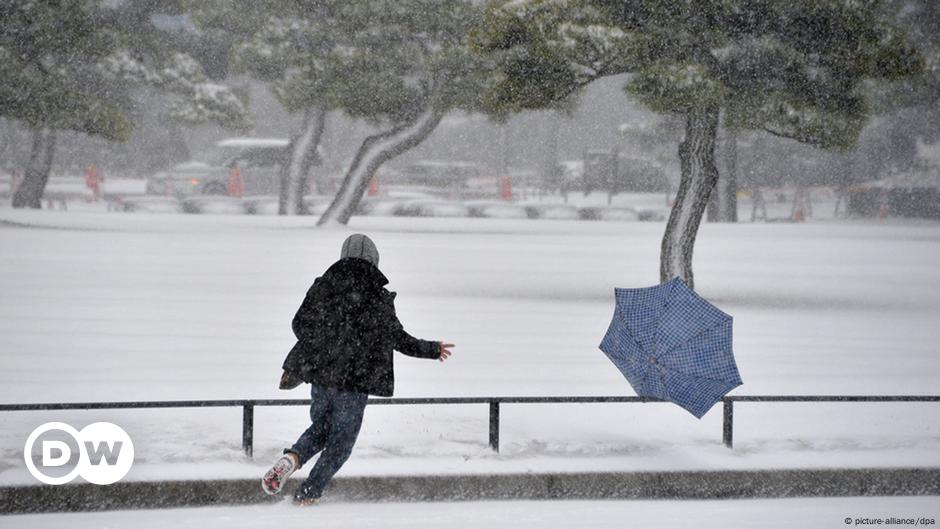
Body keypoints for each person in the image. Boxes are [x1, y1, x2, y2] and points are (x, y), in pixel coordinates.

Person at [262, 233, 454, 505]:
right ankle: (308, 495)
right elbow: (397, 338)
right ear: (374, 260)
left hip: (322, 376)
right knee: (340, 444)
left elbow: (299, 324)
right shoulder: (377, 295)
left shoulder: (323, 286)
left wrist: (327, 342)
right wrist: (432, 349)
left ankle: (292, 458)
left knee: (321, 429)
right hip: (356, 380)